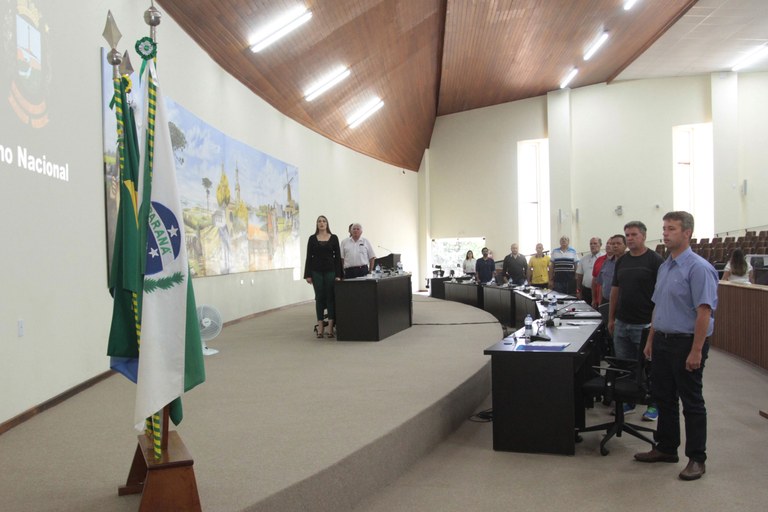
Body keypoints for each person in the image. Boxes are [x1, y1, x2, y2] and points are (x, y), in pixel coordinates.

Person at [635, 211, 718, 482]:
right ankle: (666, 448)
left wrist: (696, 350)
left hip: (686, 342)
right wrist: (651, 339)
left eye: (671, 228)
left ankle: (697, 458)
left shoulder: (698, 268)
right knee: (663, 397)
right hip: (662, 340)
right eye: (664, 228)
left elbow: (704, 312)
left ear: (687, 233)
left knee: (691, 401)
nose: (665, 233)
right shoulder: (665, 266)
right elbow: (658, 306)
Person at [609, 221, 663, 421]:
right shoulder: (622, 261)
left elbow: (661, 295)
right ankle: (629, 401)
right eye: (628, 235)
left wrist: (655, 326)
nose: (630, 238)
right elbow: (615, 290)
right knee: (626, 366)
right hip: (622, 323)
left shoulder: (655, 260)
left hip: (645, 324)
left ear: (644, 236)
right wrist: (611, 318)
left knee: (650, 368)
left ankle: (654, 404)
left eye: (634, 235)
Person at [304, 215, 343, 338]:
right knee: (319, 297)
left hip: (330, 271)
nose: (321, 223)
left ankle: (330, 327)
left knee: (330, 297)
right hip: (316, 272)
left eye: (324, 221)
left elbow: (337, 258)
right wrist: (307, 274)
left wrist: (338, 275)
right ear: (317, 224)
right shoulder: (312, 238)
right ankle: (320, 326)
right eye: (319, 221)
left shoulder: (334, 238)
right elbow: (308, 257)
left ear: (327, 224)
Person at [595, 235, 626, 305]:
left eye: (618, 243)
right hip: (606, 301)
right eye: (613, 244)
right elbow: (601, 285)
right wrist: (600, 303)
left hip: (623, 304)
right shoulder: (606, 263)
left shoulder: (630, 263)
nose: (615, 246)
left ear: (625, 245)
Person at [576, 237, 603, 305]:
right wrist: (578, 291)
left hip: (599, 292)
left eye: (595, 243)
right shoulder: (584, 259)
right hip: (586, 291)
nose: (592, 245)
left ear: (600, 245)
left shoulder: (604, 258)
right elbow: (579, 276)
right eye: (591, 244)